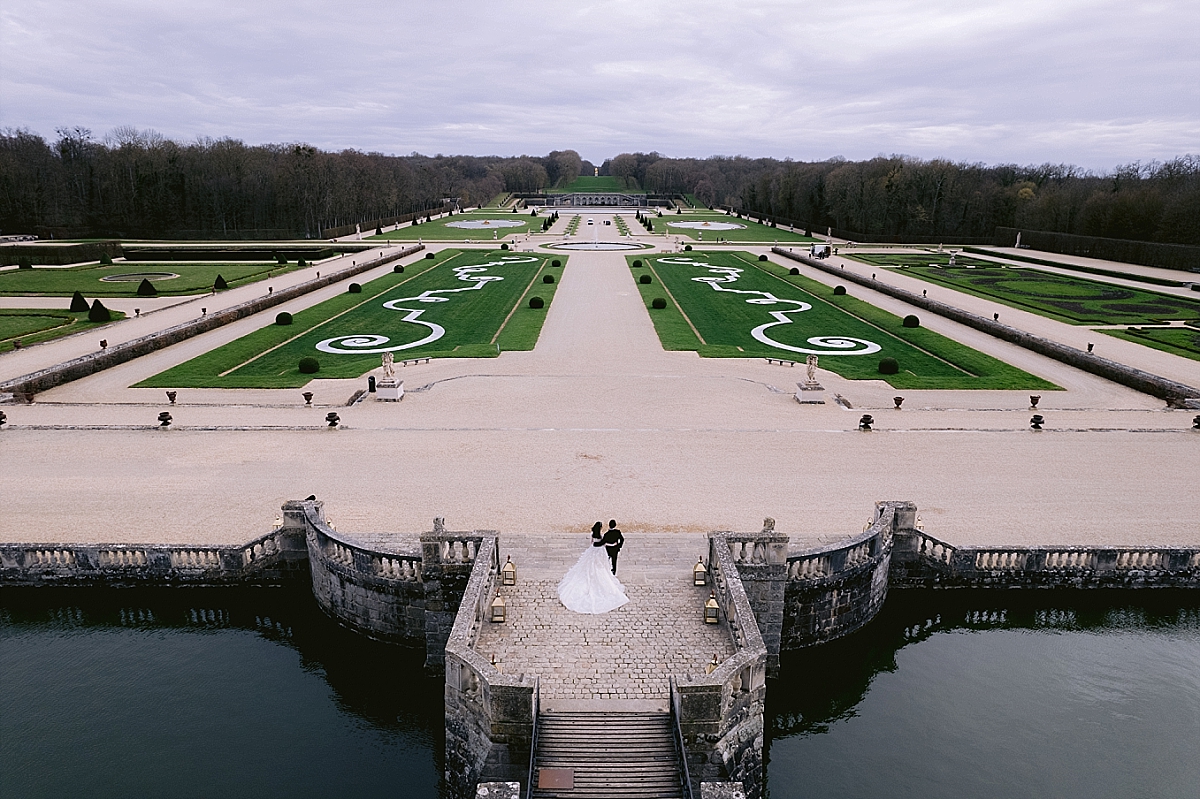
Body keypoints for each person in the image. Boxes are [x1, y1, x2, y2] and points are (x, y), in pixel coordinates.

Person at [557, 522, 629, 614]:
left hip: (593, 550)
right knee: (602, 566)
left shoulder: (594, 534)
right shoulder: (604, 535)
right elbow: (603, 543)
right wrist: (613, 545)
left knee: (592, 566)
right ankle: (612, 572)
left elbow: (592, 543)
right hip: (600, 551)